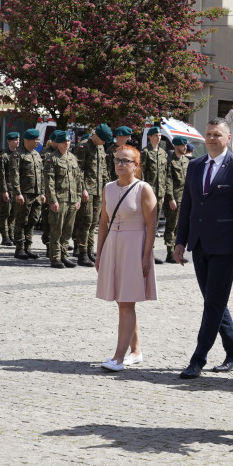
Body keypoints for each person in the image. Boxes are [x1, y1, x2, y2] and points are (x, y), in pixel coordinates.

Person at [174, 118, 233, 379]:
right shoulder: (195, 165)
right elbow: (187, 205)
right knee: (214, 302)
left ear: (228, 138)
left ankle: (198, 359)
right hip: (199, 244)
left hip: (226, 247)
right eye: (208, 134)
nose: (211, 138)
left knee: (213, 304)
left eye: (217, 134)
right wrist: (180, 241)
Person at [95, 144, 158, 371]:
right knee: (123, 301)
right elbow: (103, 222)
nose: (120, 164)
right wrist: (99, 251)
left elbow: (151, 225)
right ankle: (136, 351)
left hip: (134, 245)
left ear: (136, 165)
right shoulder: (108, 188)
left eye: (126, 161)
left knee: (126, 303)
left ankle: (119, 357)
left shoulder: (143, 189)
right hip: (114, 244)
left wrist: (145, 255)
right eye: (117, 160)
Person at [45, 130, 84, 269]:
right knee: (57, 230)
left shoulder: (73, 158)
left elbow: (78, 179)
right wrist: (53, 200)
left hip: (72, 199)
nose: (67, 143)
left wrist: (78, 197)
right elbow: (49, 182)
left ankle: (64, 255)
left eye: (68, 141)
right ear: (58, 143)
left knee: (68, 230)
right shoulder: (52, 158)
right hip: (60, 199)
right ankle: (55, 258)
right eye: (64, 141)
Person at [72, 124, 110, 266]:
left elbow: (104, 170)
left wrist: (107, 186)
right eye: (103, 140)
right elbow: (78, 170)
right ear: (97, 136)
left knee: (94, 222)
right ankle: (82, 253)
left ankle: (89, 251)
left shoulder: (100, 147)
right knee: (85, 221)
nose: (105, 143)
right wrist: (82, 189)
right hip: (87, 191)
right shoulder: (83, 146)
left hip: (98, 190)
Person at [9, 128, 46, 260]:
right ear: (27, 140)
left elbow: (41, 176)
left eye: (38, 139)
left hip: (35, 194)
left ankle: (28, 247)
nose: (38, 142)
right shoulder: (18, 154)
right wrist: (17, 193)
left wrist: (42, 192)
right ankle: (19, 248)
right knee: (21, 221)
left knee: (32, 221)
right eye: (36, 140)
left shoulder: (36, 155)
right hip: (24, 194)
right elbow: (14, 175)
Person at [140, 130, 169, 265]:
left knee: (155, 224)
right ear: (149, 137)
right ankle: (142, 250)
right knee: (145, 222)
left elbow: (166, 174)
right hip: (148, 192)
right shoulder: (145, 153)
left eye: (159, 136)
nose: (158, 138)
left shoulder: (163, 153)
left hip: (160, 193)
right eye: (155, 136)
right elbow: (141, 173)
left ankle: (150, 252)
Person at [163, 136, 190, 263]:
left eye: (185, 145)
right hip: (174, 198)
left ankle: (177, 252)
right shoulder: (170, 160)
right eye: (182, 145)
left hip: (185, 198)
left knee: (181, 226)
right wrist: (170, 198)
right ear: (176, 146)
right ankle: (169, 253)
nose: (185, 147)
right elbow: (167, 180)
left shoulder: (186, 161)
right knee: (171, 225)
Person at [0, 132, 19, 246]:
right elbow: (0, 175)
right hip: (7, 189)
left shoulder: (19, 155)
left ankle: (11, 234)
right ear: (8, 141)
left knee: (14, 213)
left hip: (16, 189)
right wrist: (4, 190)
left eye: (18, 139)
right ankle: (5, 236)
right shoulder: (3, 156)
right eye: (14, 140)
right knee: (5, 214)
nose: (17, 141)